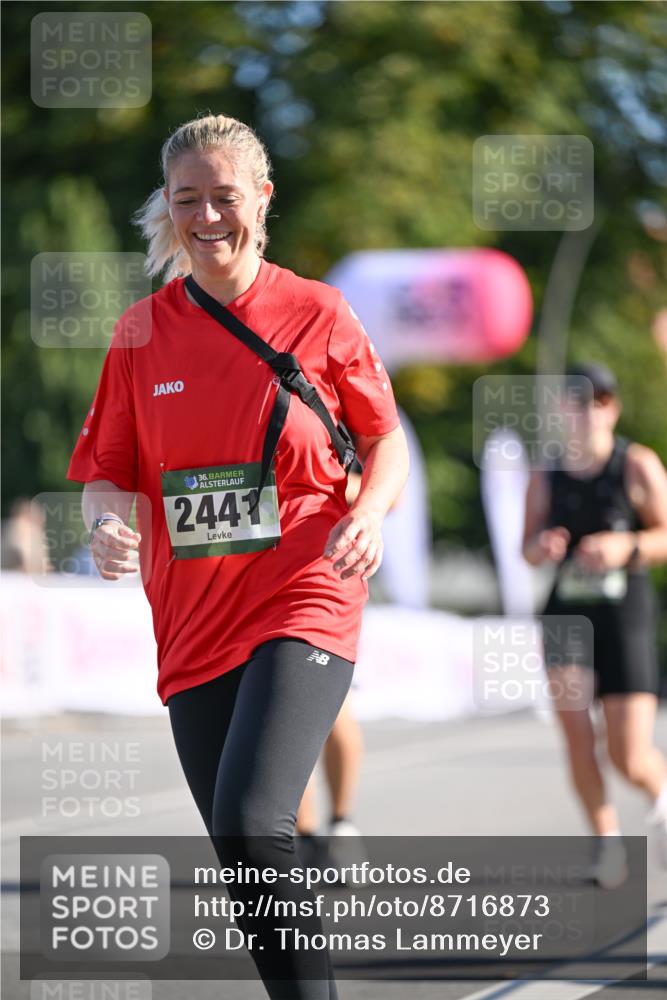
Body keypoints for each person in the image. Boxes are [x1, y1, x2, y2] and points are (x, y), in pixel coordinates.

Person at [67, 113, 409, 999]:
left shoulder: (318, 312)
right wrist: (105, 522)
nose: (208, 217)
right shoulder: (140, 333)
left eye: (225, 196)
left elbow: (386, 440)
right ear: (168, 210)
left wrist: (369, 509)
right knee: (240, 851)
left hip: (306, 583)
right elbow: (104, 471)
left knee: (252, 822)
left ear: (262, 198)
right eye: (189, 200)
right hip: (189, 614)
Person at [522, 362, 667, 886]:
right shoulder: (548, 472)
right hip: (566, 616)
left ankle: (661, 797)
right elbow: (527, 549)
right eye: (577, 403)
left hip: (624, 615)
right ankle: (606, 843)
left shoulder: (637, 465)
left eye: (597, 402)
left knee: (628, 755)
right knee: (578, 736)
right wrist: (543, 547)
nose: (587, 413)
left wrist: (624, 546)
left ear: (613, 408)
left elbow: (665, 534)